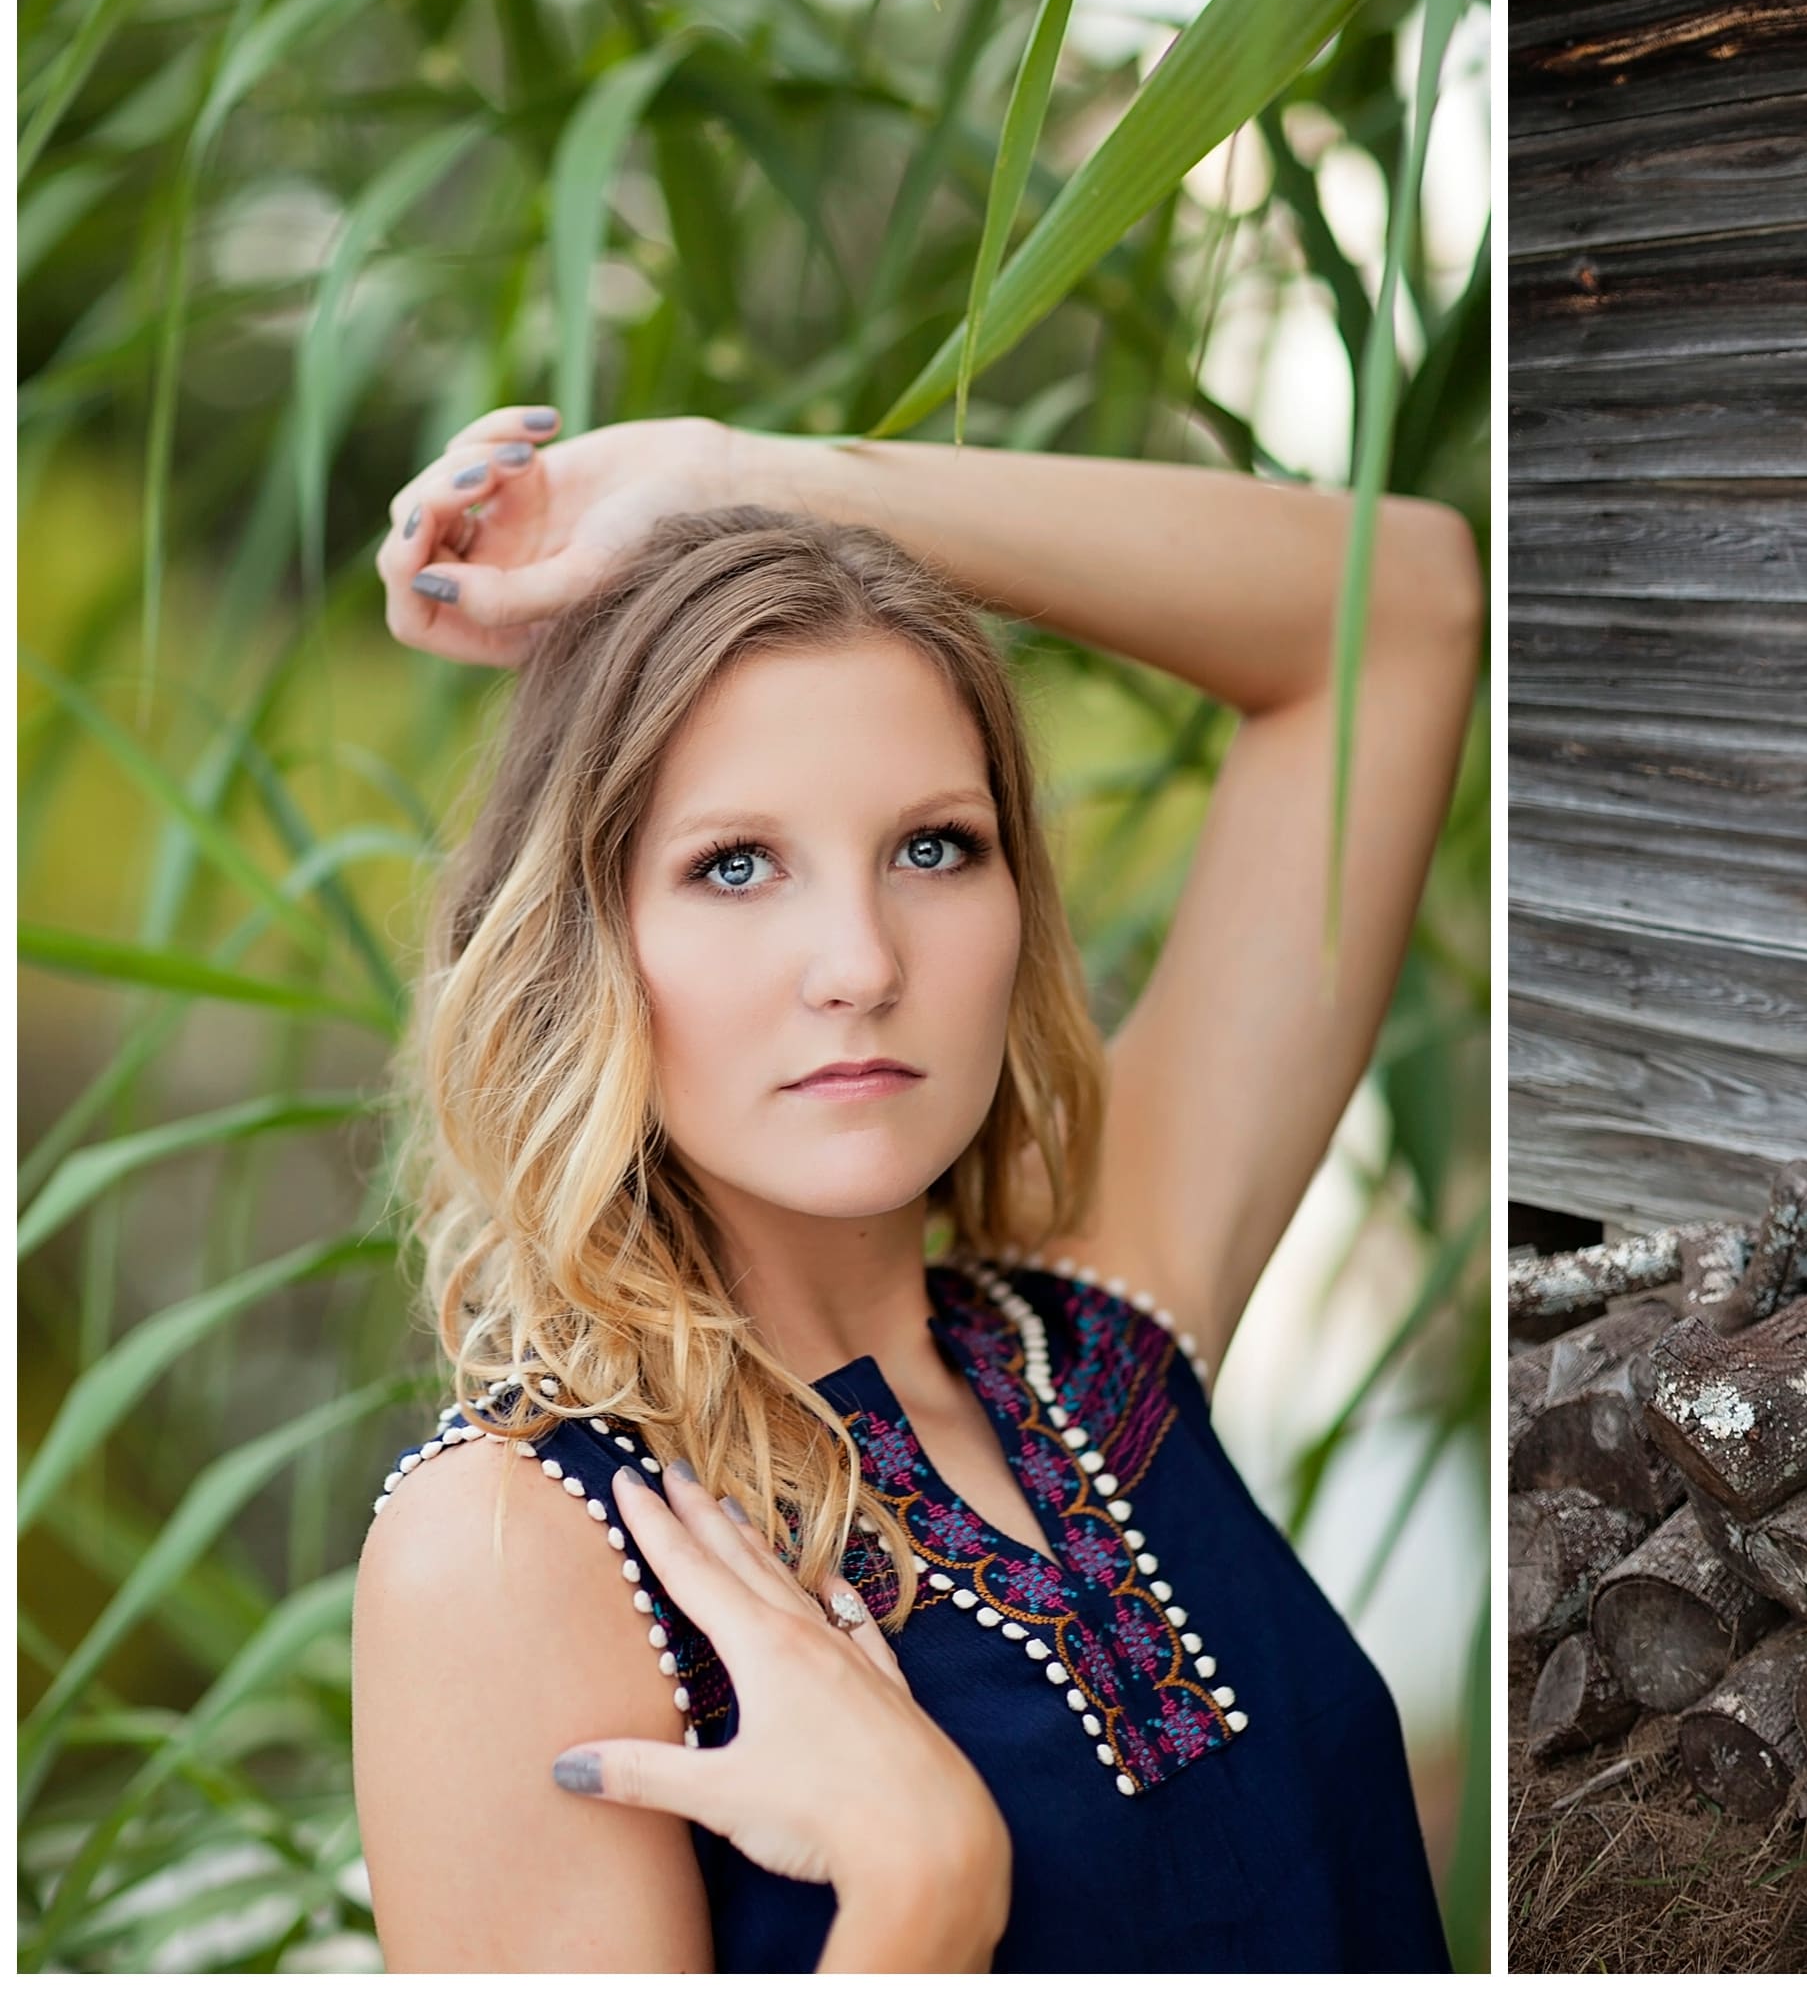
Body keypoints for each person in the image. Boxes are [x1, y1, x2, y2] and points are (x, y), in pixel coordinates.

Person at [349, 408, 1481, 1970]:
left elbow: (1405, 601)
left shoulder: (1100, 1339)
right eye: (735, 864)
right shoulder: (515, 1544)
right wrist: (917, 1901)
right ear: (582, 940)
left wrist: (748, 483)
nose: (864, 965)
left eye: (935, 848)